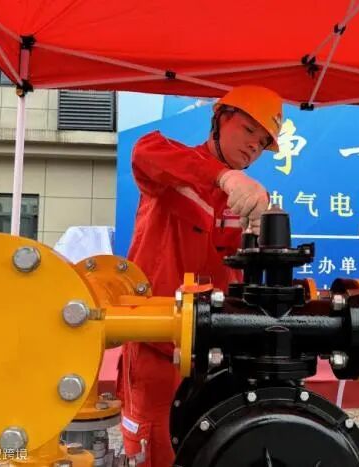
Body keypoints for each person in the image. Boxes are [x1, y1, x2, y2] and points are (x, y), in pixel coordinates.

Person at [115, 85, 283, 467]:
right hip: (157, 345)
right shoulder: (175, 168)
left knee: (216, 451)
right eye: (249, 130)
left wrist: (259, 239)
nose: (253, 146)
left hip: (215, 352)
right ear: (220, 119)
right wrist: (224, 177)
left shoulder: (245, 201)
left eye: (262, 143)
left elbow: (237, 276)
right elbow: (144, 151)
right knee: (157, 452)